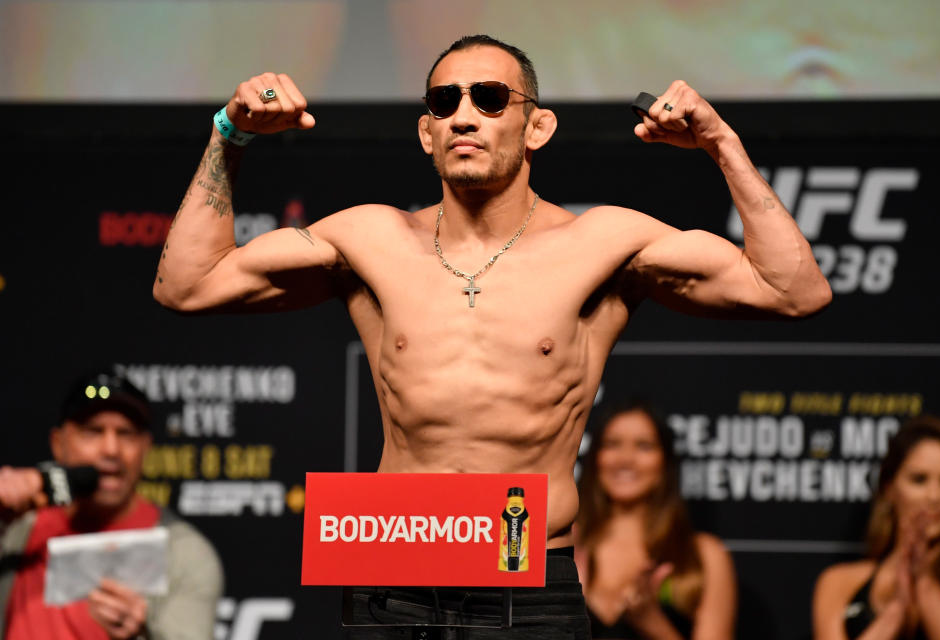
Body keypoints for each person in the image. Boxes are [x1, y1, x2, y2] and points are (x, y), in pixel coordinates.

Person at [153, 34, 830, 637]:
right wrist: (229, 134)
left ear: (538, 127)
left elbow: (793, 291)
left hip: (529, 588)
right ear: (426, 133)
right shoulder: (370, 237)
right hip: (393, 582)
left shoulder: (602, 243)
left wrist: (721, 144)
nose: (464, 115)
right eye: (444, 101)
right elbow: (186, 285)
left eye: (489, 97)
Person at [0, 371, 223, 640]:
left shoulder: (185, 554)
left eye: (126, 434)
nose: (111, 449)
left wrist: (144, 632)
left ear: (145, 449)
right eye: (93, 432)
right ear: (58, 444)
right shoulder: (16, 530)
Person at [574, 399, 736, 639]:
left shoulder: (703, 556)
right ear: (595, 457)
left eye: (644, 446)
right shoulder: (562, 545)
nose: (625, 459)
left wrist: (652, 623)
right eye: (612, 444)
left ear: (665, 462)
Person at [812, 415, 940, 640]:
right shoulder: (840, 582)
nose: (934, 496)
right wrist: (896, 611)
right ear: (890, 488)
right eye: (919, 480)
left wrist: (923, 585)